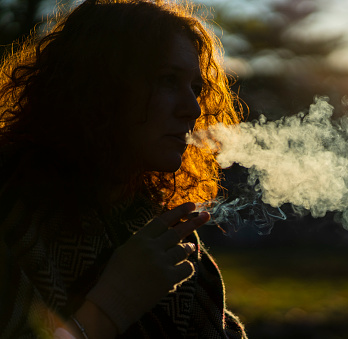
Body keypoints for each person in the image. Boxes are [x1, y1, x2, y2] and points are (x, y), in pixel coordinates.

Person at [0, 0, 247, 338]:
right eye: (167, 80)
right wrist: (113, 303)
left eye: (196, 88)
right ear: (97, 85)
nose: (192, 108)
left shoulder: (163, 230)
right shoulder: (13, 213)